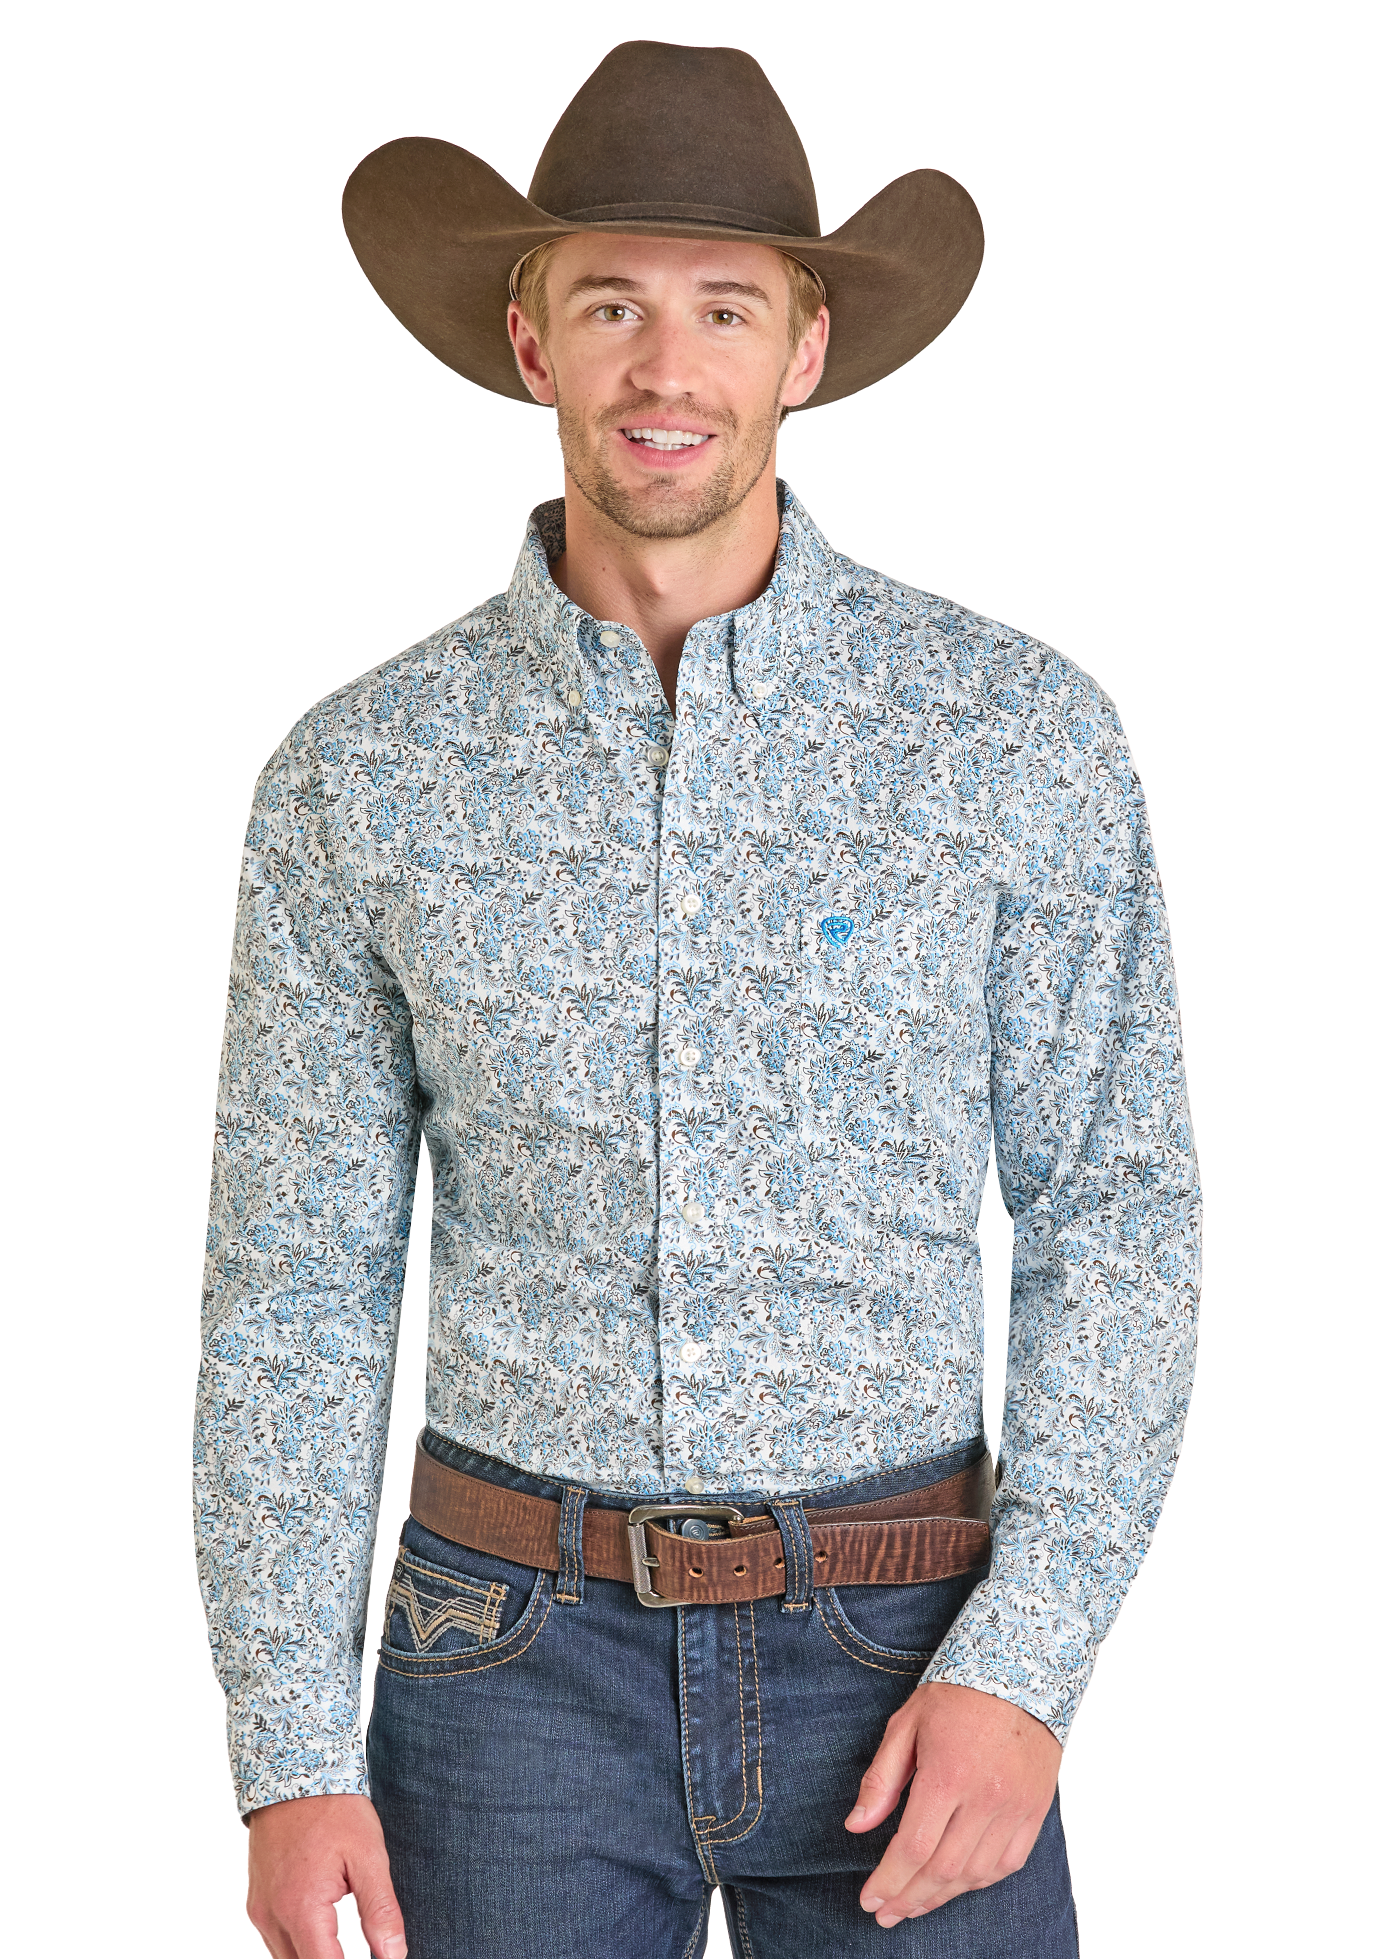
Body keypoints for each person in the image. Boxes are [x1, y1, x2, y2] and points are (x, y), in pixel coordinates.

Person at [195, 39, 1203, 1959]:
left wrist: (1036, 1658)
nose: (669, 370)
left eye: (724, 308)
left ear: (805, 347)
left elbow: (1120, 1213)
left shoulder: (1015, 736)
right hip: (499, 1667)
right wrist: (286, 1746)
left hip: (914, 1646)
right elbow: (293, 1289)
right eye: (615, 305)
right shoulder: (357, 774)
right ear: (530, 338)